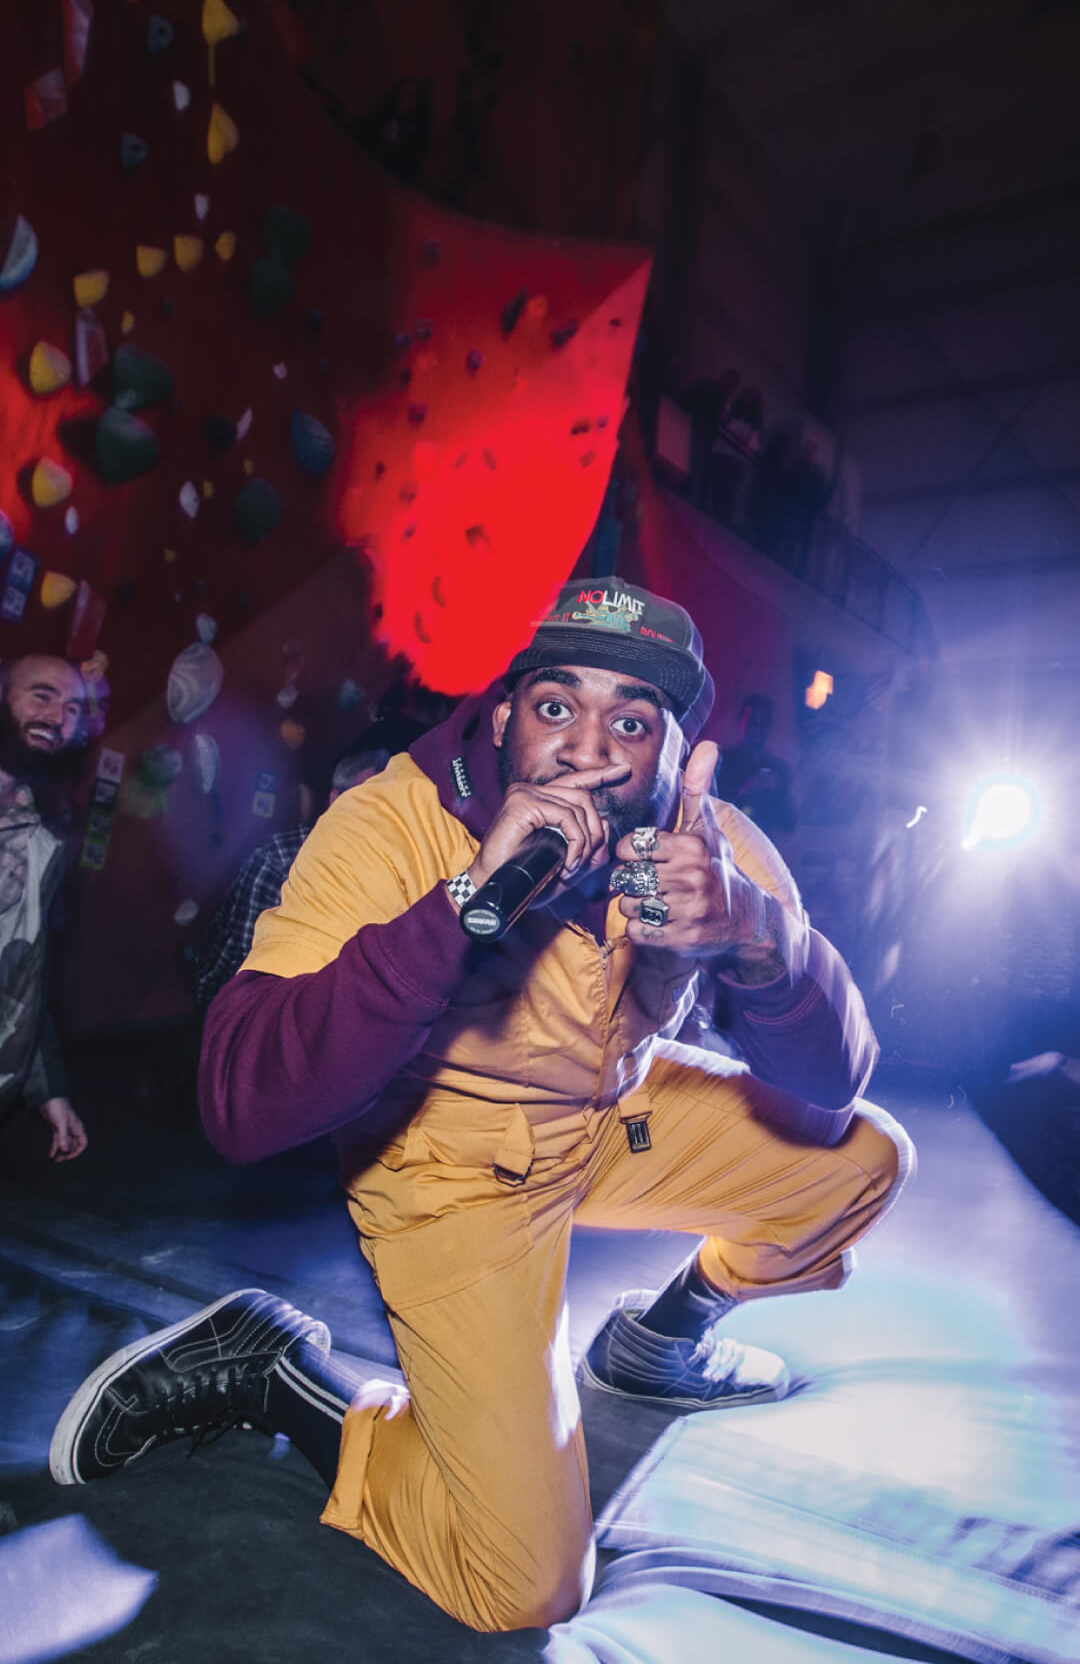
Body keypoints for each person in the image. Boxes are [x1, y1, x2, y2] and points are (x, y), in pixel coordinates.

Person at [51, 577, 912, 1633]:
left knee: (864, 1158)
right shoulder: (394, 823)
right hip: (453, 1168)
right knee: (524, 1584)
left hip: (610, 1122)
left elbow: (836, 1075)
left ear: (678, 750)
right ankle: (283, 1374)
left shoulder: (708, 838)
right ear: (503, 716)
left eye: (631, 720)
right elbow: (239, 1101)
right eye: (557, 706)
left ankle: (659, 1341)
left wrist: (754, 932)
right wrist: (462, 907)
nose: (589, 749)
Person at [193, 746, 390, 1007]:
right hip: (230, 1003)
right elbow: (249, 963)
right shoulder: (279, 857)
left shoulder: (375, 873)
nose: (373, 816)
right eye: (364, 800)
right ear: (334, 800)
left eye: (383, 808)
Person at [0, 654, 89, 1162]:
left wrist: (46, 1088)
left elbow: (25, 976)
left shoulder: (46, 832)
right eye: (42, 695)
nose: (59, 717)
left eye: (73, 707)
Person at [713, 694, 796, 843]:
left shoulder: (779, 770)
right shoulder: (723, 761)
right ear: (741, 723)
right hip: (728, 849)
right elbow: (711, 815)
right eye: (752, 722)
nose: (757, 729)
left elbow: (789, 824)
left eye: (763, 724)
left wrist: (781, 794)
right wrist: (745, 791)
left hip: (765, 853)